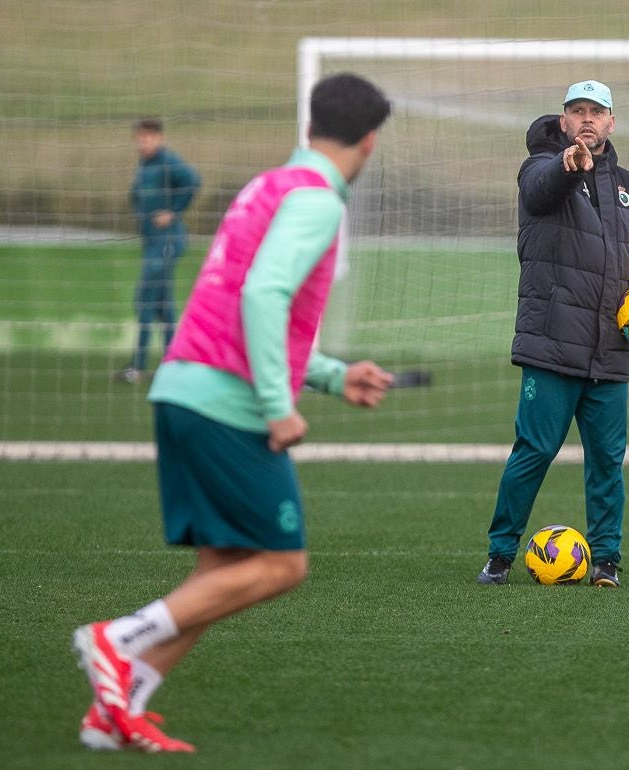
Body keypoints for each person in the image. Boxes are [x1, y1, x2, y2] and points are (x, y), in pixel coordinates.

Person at [72, 73, 395, 753]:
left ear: (310, 126)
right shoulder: (316, 202)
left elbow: (238, 302)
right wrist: (279, 409)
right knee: (282, 565)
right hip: (225, 400)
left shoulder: (268, 185)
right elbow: (261, 296)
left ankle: (117, 707)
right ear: (369, 141)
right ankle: (116, 639)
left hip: (185, 386)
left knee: (226, 566)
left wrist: (334, 376)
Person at [477, 80, 629, 588]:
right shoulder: (540, 169)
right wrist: (567, 167)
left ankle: (606, 561)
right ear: (563, 122)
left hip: (609, 350)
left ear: (611, 122)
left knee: (607, 460)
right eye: (576, 110)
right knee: (534, 450)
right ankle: (499, 557)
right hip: (551, 344)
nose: (586, 119)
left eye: (596, 111)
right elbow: (541, 187)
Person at [117, 118, 200, 384]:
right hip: (153, 241)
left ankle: (138, 367)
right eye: (140, 137)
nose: (144, 141)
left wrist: (173, 212)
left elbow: (193, 181)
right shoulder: (145, 166)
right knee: (163, 306)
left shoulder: (168, 162)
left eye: (149, 136)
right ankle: (173, 363)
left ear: (159, 138)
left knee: (145, 300)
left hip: (167, 241)